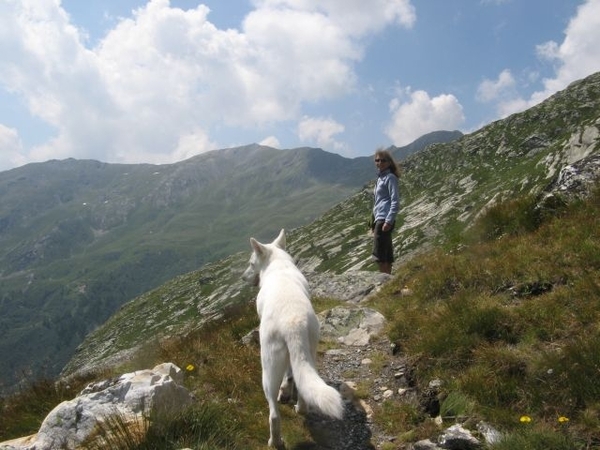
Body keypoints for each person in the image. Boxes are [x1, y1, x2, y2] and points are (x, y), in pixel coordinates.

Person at [371, 149, 400, 274]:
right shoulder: (380, 179)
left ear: (389, 163)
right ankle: (388, 280)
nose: (380, 162)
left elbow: (395, 200)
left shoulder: (390, 177)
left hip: (384, 218)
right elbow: (378, 202)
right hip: (380, 218)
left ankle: (384, 281)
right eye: (377, 160)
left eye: (383, 160)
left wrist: (389, 220)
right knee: (386, 252)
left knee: (380, 254)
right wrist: (372, 222)